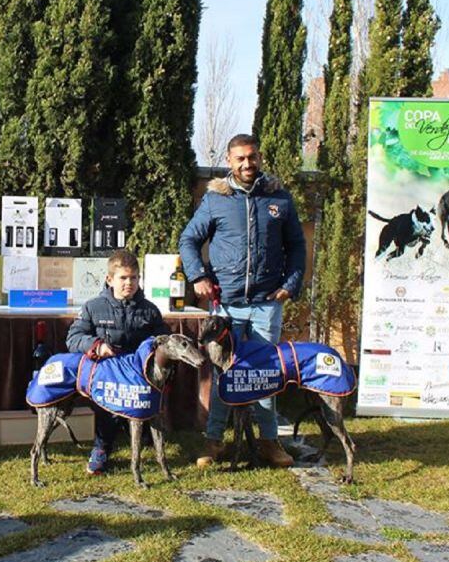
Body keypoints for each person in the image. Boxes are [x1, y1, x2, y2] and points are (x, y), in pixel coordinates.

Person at [178, 133, 306, 468]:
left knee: (266, 372)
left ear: (260, 157)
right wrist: (199, 277)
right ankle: (214, 440)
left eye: (252, 157)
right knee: (225, 372)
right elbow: (189, 239)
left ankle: (268, 441)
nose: (247, 164)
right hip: (227, 305)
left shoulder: (278, 198)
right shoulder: (216, 200)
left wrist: (290, 285)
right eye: (240, 159)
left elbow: (296, 246)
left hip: (266, 304)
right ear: (229, 161)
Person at [66, 249, 169, 475]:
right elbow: (73, 338)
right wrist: (96, 346)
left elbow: (164, 340)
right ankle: (101, 448)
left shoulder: (150, 310)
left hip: (138, 374)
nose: (129, 283)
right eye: (123, 278)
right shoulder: (93, 307)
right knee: (107, 408)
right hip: (108, 373)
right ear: (109, 279)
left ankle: (144, 436)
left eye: (134, 278)